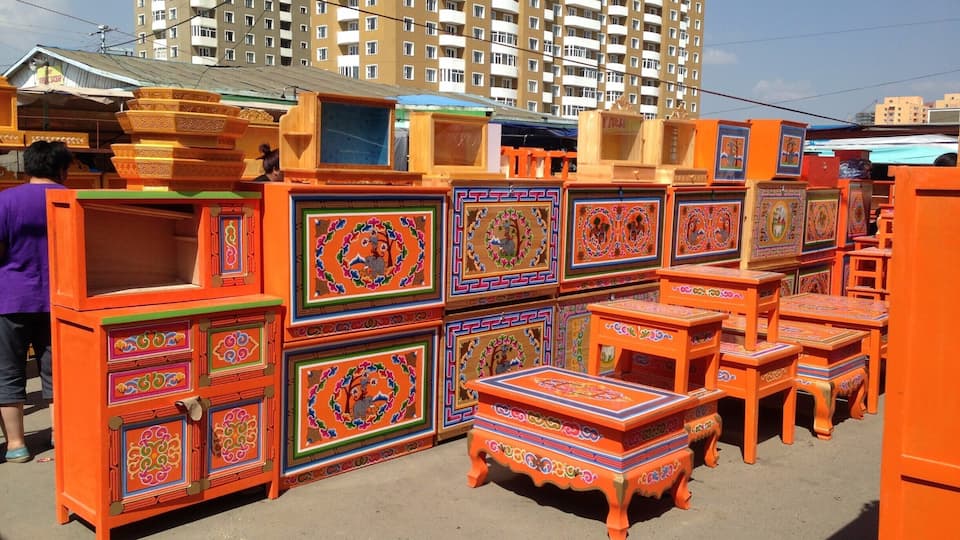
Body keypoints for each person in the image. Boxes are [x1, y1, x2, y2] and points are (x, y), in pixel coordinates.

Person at [0, 140, 71, 463]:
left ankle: (16, 445)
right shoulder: (70, 199)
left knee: (8, 371)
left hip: (10, 298)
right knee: (57, 371)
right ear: (62, 169)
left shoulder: (6, 201)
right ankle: (61, 435)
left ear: (27, 166)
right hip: (61, 299)